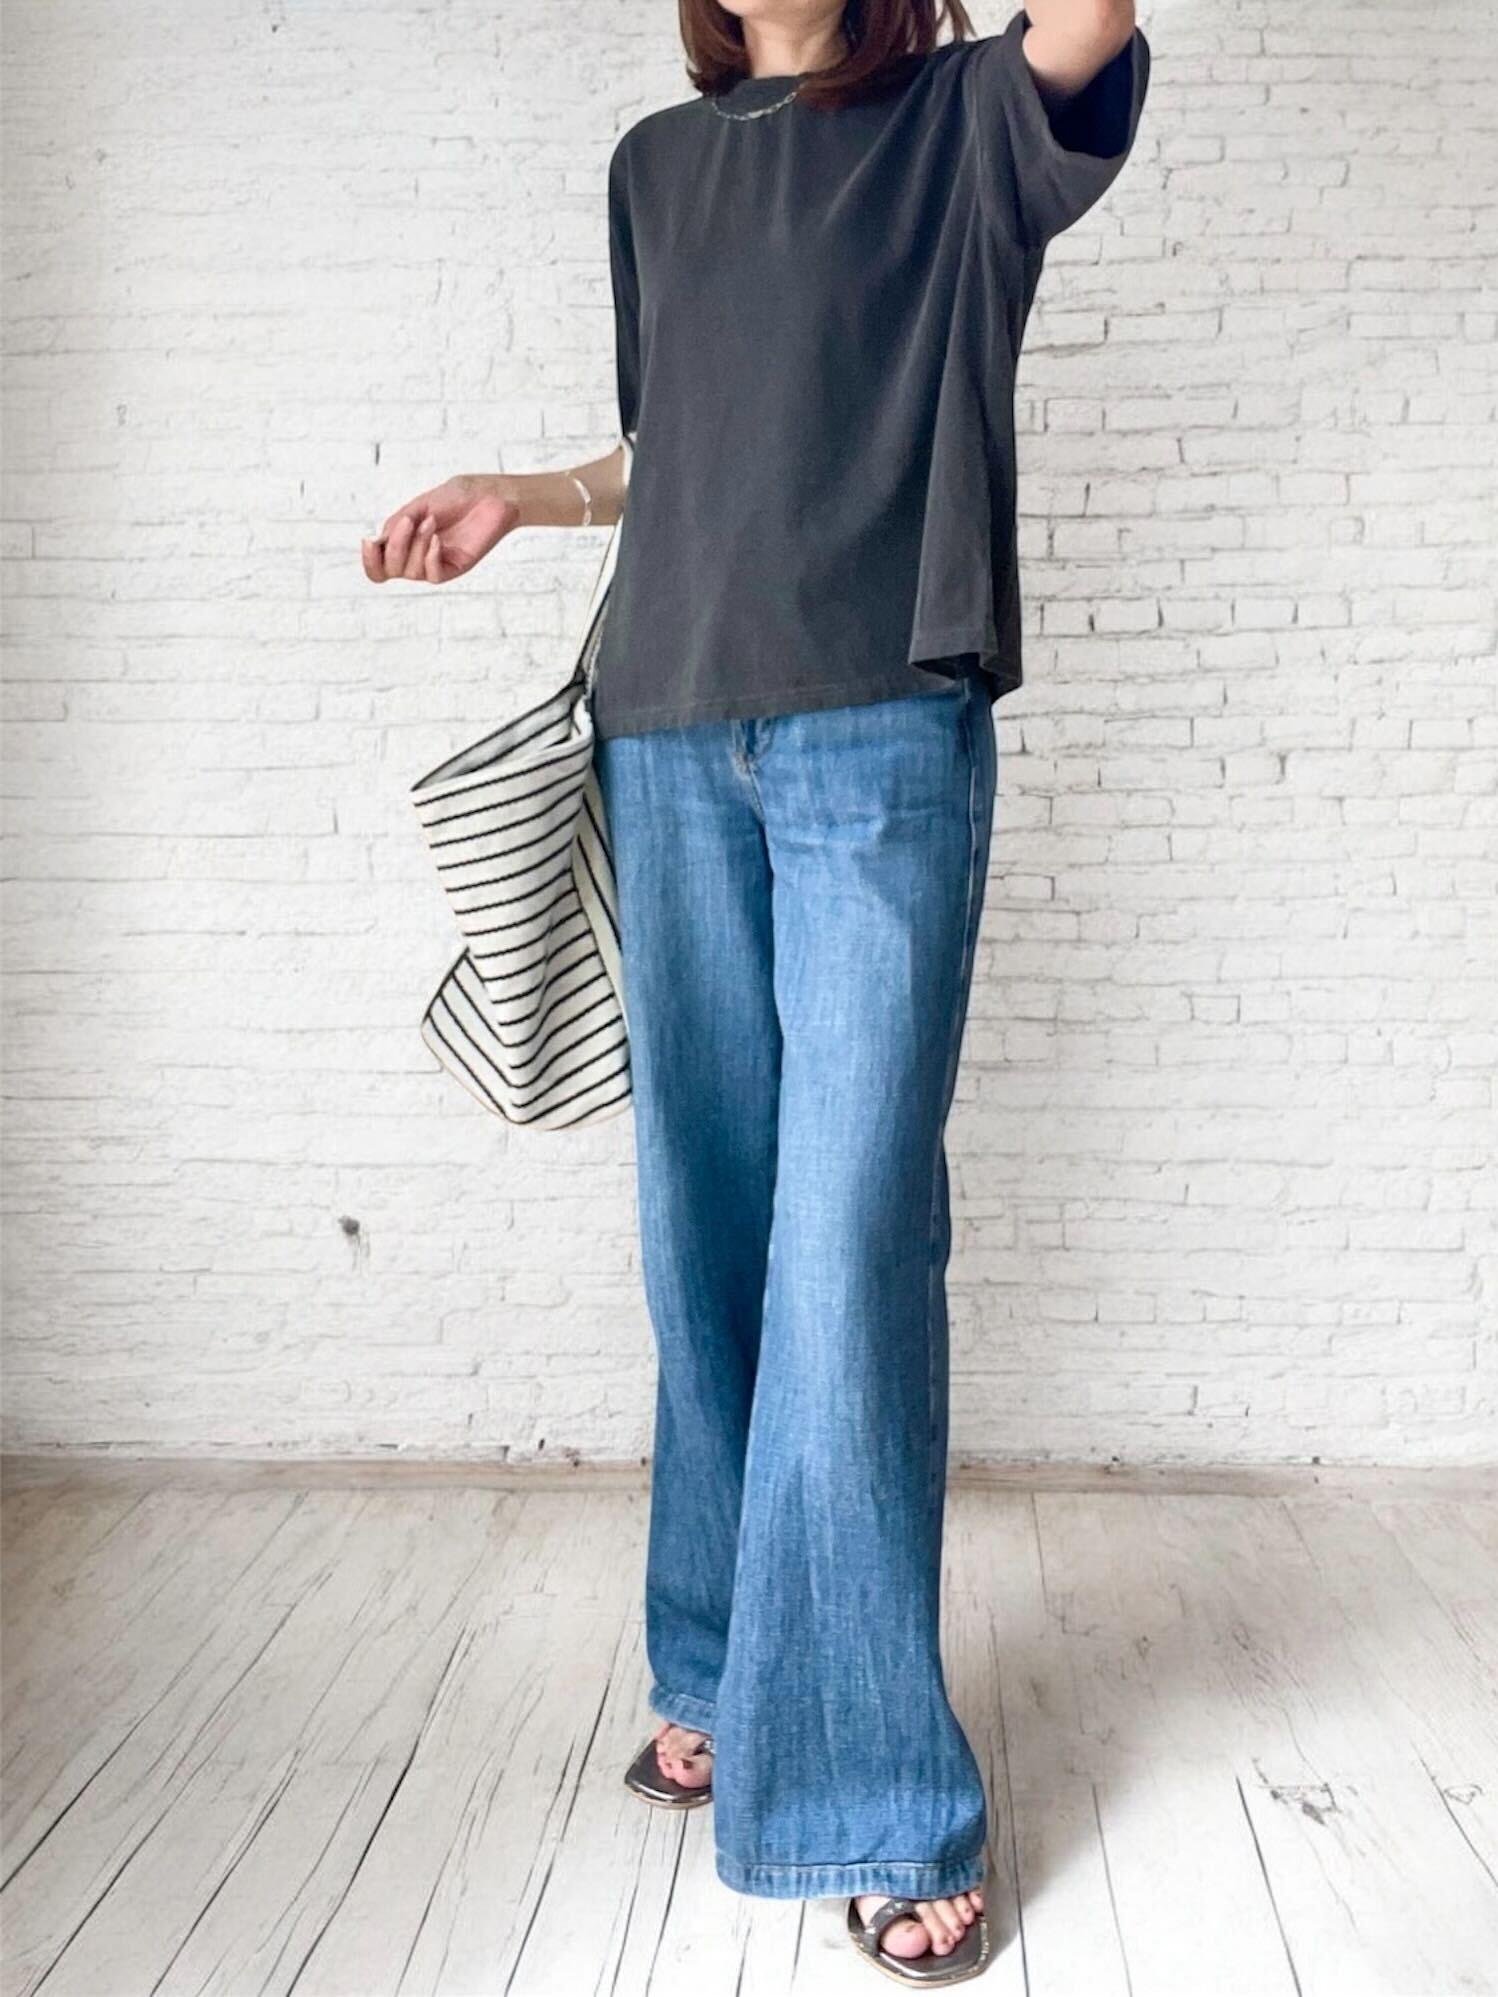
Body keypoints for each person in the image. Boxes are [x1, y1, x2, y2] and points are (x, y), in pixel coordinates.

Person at [363, 0, 1148, 1981]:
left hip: (876, 726)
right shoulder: (657, 165)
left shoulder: (965, 122)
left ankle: (872, 1788)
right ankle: (714, 1662)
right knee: (701, 1228)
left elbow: (1091, 22)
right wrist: (524, 494)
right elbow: (687, 439)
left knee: (844, 1239)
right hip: (663, 729)